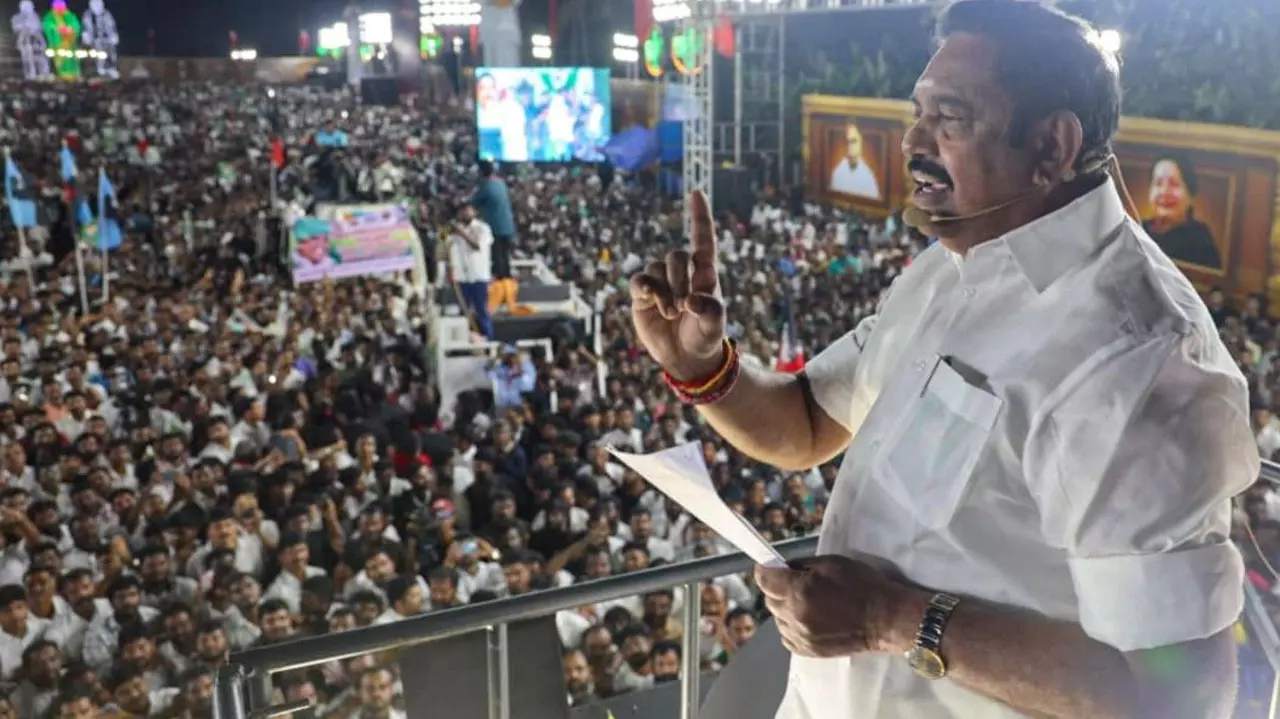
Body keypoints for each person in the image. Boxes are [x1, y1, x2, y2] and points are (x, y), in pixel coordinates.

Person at [628, 1, 1254, 717]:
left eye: (949, 118)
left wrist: (890, 620)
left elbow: (1175, 696)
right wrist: (709, 370)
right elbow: (805, 424)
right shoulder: (949, 267)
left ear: (1051, 145)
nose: (913, 143)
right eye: (916, 114)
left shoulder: (1135, 357)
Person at [1143, 154, 1222, 269]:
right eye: (1158, 183)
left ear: (1190, 194)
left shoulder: (1200, 240)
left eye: (1174, 184)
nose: (1164, 192)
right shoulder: (1139, 229)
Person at [470, 160, 518, 315]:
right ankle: (509, 285)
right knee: (504, 257)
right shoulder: (501, 183)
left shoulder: (486, 186)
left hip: (495, 227)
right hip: (507, 226)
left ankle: (501, 289)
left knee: (498, 259)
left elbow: (473, 203)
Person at [449, 203, 495, 339]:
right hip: (462, 277)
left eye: (467, 210)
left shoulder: (482, 228)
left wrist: (461, 233)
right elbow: (442, 242)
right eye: (461, 211)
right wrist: (446, 230)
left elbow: (477, 245)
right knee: (463, 312)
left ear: (474, 211)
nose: (464, 213)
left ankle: (488, 340)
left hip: (479, 276)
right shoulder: (455, 231)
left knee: (482, 311)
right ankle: (465, 340)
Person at [828, 122, 881, 200]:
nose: (850, 146)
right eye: (847, 141)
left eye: (854, 141)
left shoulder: (868, 177)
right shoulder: (837, 172)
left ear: (861, 142)